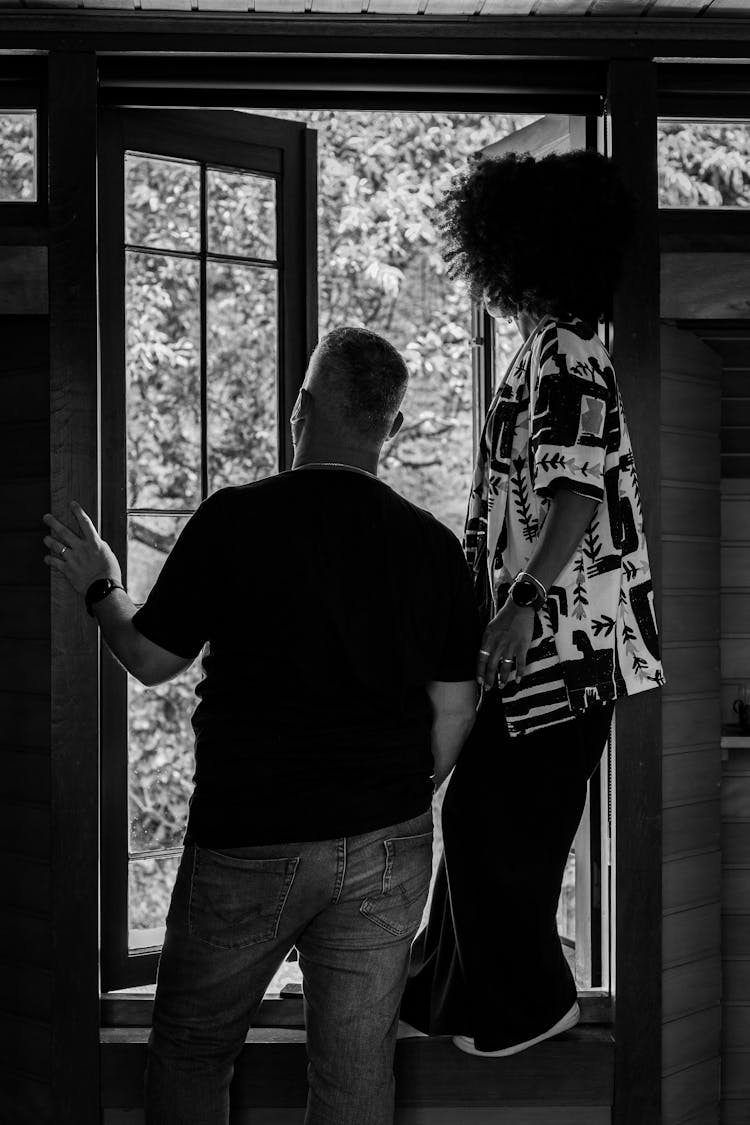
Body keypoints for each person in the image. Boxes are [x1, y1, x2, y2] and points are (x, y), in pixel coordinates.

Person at [42, 325, 479, 1125]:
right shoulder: (434, 547)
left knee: (192, 1051)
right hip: (389, 841)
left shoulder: (235, 520)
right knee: (354, 1080)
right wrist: (392, 795)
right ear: (396, 428)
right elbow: (456, 710)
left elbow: (149, 656)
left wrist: (101, 586)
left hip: (249, 839)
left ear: (299, 409)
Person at [401, 149, 665, 1057]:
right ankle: (441, 997)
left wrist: (518, 600)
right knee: (476, 813)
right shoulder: (549, 344)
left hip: (566, 642)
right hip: (547, 645)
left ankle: (531, 1004)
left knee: (488, 822)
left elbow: (579, 489)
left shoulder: (572, 349)